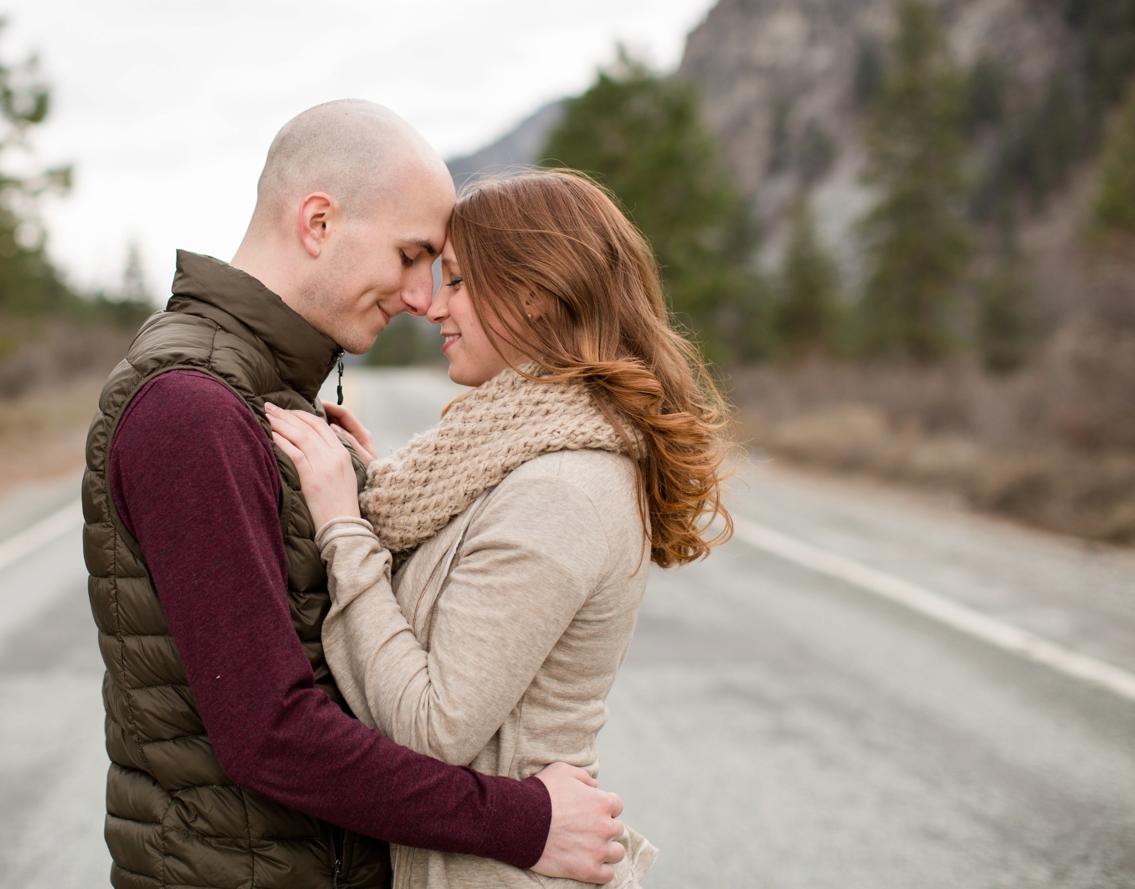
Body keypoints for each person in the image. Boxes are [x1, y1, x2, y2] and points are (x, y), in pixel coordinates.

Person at [82, 102, 627, 889]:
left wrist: (369, 505)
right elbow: (268, 733)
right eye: (411, 256)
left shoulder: (271, 395)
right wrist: (524, 821)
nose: (420, 295)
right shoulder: (189, 409)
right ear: (319, 222)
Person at [267, 169, 734, 888]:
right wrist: (370, 485)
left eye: (455, 281)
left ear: (533, 294)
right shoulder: (507, 458)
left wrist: (340, 525)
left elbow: (432, 726)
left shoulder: (563, 487)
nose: (430, 305)